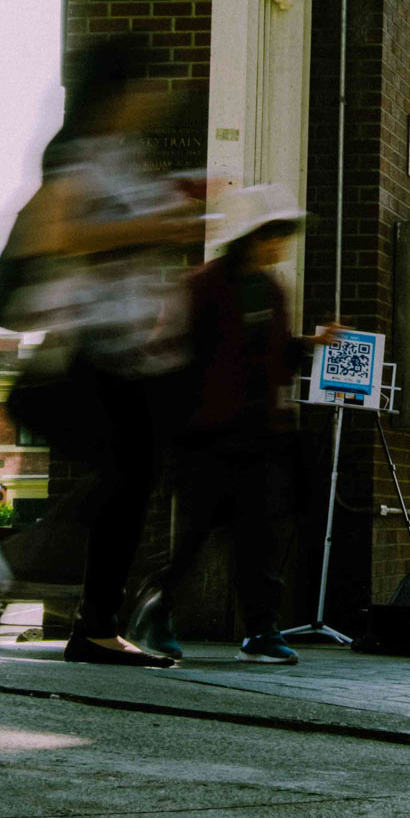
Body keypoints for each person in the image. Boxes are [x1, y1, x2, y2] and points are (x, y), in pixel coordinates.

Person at [0, 36, 203, 669]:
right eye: (146, 86)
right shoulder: (79, 155)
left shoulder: (124, 158)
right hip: (85, 352)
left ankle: (87, 617)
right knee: (128, 475)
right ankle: (85, 617)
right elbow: (59, 235)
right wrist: (159, 226)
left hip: (129, 352)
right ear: (118, 92)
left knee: (130, 477)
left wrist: (184, 201)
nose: (156, 99)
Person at [126, 184, 340, 666]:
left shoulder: (271, 290)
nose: (282, 242)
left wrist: (310, 345)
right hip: (205, 438)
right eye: (275, 233)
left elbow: (275, 362)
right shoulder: (202, 287)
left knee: (258, 536)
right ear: (251, 236)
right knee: (194, 534)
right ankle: (156, 612)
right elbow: (174, 359)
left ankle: (261, 631)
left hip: (260, 437)